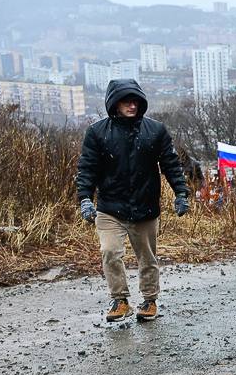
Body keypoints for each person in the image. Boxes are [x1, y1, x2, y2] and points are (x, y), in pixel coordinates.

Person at [76, 79, 189, 322]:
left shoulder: (155, 131)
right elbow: (87, 168)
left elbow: (171, 165)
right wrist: (85, 198)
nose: (132, 105)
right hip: (109, 208)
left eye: (135, 100)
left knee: (147, 258)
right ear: (114, 103)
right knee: (110, 252)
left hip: (145, 207)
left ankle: (149, 300)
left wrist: (181, 193)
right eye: (126, 100)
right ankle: (120, 300)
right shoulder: (97, 133)